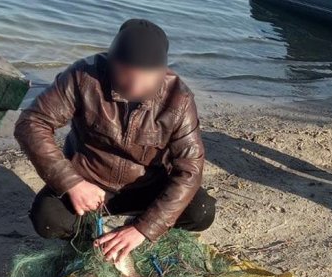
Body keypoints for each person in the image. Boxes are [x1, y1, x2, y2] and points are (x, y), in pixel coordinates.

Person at [15, 19, 215, 263]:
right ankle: (92, 236)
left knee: (201, 212)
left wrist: (144, 228)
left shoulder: (179, 99)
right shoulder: (83, 77)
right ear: (112, 63)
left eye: (146, 77)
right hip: (90, 182)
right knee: (47, 220)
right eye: (126, 75)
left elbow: (190, 168)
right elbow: (31, 123)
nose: (135, 85)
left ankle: (131, 228)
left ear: (162, 71)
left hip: (147, 186)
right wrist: (71, 183)